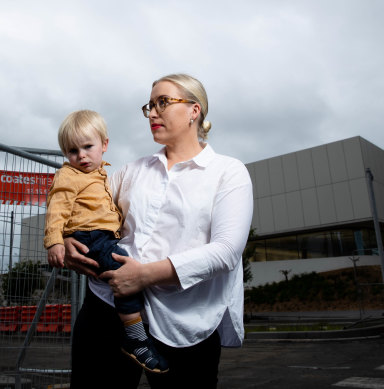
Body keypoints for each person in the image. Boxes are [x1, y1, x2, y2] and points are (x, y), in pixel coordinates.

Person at [58, 74, 253, 389]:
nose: (152, 113)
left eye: (163, 103)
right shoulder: (130, 171)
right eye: (149, 105)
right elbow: (84, 210)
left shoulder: (228, 173)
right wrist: (67, 239)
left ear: (195, 110)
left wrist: (144, 275)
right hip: (106, 309)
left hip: (185, 323)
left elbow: (227, 251)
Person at [44, 110, 169, 374]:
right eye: (72, 151)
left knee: (127, 277)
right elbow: (57, 208)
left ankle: (136, 328)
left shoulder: (103, 175)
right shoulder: (69, 175)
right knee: (124, 277)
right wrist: (56, 240)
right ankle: (135, 337)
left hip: (101, 235)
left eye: (88, 147)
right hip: (90, 236)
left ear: (105, 145)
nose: (81, 156)